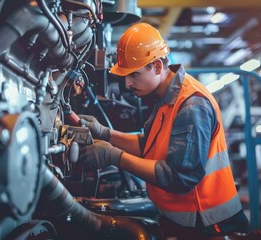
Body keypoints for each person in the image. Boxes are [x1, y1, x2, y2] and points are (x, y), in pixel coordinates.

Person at [78, 23, 249, 239]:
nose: (127, 83)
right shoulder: (167, 97)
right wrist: (104, 133)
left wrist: (114, 156)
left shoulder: (191, 106)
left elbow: (178, 177)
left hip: (205, 221)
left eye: (134, 74)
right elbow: (147, 145)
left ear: (158, 66)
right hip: (184, 218)